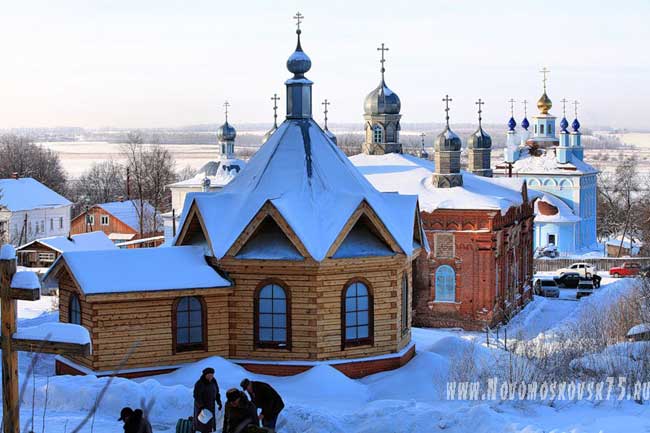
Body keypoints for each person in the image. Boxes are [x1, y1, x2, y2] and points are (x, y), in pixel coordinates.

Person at [193, 367, 223, 433]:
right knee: (202, 425)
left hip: (211, 406)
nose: (210, 377)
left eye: (212, 375)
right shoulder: (199, 383)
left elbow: (217, 393)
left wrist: (219, 402)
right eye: (209, 376)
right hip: (201, 408)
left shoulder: (213, 381)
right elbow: (197, 396)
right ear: (205, 375)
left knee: (210, 424)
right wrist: (202, 407)